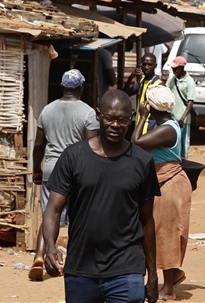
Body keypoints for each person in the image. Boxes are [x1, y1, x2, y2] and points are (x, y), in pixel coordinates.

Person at [42, 90, 161, 303]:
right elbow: (53, 209)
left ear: (131, 119)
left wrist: (152, 274)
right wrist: (50, 246)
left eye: (122, 119)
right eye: (110, 118)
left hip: (127, 268)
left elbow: (147, 220)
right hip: (81, 268)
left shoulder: (142, 162)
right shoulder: (73, 157)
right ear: (98, 115)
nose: (116, 125)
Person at [29, 69, 99, 281]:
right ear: (81, 88)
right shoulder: (87, 113)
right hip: (77, 171)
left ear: (63, 87)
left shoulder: (47, 110)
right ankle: (78, 263)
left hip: (51, 169)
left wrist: (37, 169)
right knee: (79, 217)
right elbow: (91, 147)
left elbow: (39, 144)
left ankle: (40, 257)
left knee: (50, 215)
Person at [132, 85, 191, 301]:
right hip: (164, 182)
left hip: (169, 184)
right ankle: (172, 275)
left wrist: (141, 117)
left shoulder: (167, 128)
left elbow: (136, 142)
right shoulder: (166, 125)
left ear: (151, 106)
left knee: (165, 233)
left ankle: (167, 289)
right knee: (161, 232)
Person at [124, 54, 163, 135]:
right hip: (139, 126)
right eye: (144, 64)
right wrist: (131, 77)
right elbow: (126, 93)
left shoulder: (158, 85)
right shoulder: (142, 82)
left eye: (150, 65)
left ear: (155, 65)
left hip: (150, 128)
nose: (146, 67)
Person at [167, 56, 195, 160]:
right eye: (173, 68)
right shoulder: (172, 79)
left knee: (183, 144)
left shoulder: (189, 81)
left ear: (182, 68)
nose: (173, 70)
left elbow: (190, 102)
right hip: (172, 117)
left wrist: (183, 118)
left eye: (176, 68)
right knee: (174, 143)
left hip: (183, 119)